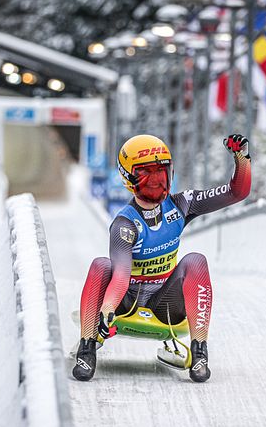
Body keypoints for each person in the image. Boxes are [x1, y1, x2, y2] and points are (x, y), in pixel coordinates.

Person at [73, 133, 251, 383]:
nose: (156, 181)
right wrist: (108, 309)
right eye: (147, 174)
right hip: (126, 303)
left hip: (165, 306)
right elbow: (122, 274)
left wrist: (242, 159)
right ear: (129, 178)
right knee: (101, 266)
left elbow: (237, 192)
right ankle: (87, 347)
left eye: (161, 172)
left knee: (195, 261)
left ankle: (200, 351)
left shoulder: (183, 204)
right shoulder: (125, 224)